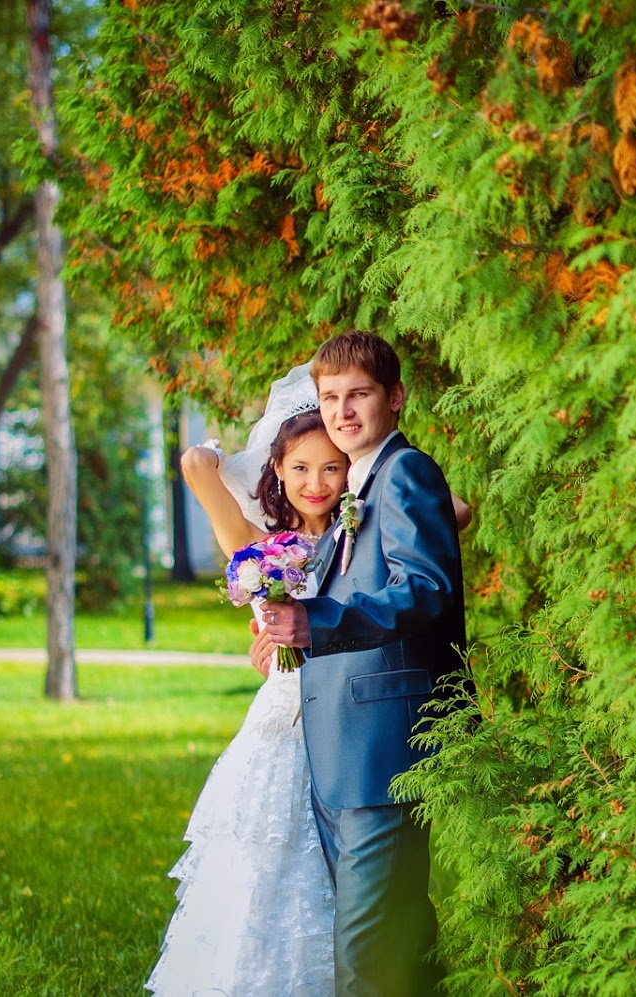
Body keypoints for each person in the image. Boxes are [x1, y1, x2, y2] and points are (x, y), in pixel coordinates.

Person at [258, 330, 467, 997]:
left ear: (396, 397)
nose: (343, 411)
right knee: (398, 946)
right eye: (330, 398)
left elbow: (425, 587)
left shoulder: (405, 472)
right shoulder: (359, 483)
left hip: (386, 750)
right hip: (342, 754)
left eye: (360, 394)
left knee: (364, 962)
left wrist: (315, 623)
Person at [148, 376, 345, 997]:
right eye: (300, 468)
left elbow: (458, 512)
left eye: (333, 469)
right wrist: (215, 459)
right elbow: (194, 465)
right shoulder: (262, 551)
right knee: (262, 853)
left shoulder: (357, 537)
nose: (315, 483)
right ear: (278, 472)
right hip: (277, 723)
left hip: (338, 717)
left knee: (334, 865)